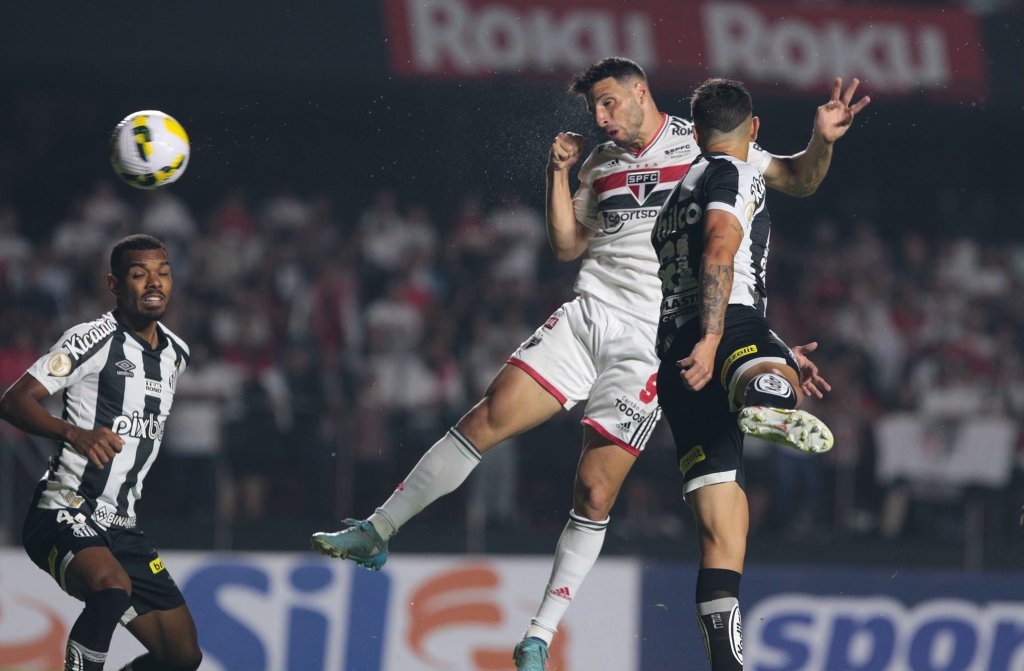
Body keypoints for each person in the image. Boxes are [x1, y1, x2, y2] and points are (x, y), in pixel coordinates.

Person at [311, 57, 867, 671]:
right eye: (593, 108)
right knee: (488, 415)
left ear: (640, 92)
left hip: (652, 340)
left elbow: (794, 179)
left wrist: (822, 140)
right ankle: (378, 530)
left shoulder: (704, 147)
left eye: (608, 103)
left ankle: (538, 636)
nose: (600, 118)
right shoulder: (600, 162)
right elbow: (568, 244)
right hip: (588, 314)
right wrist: (558, 173)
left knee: (595, 490)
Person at [652, 78, 851, 670]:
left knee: (722, 525)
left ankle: (725, 660)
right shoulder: (734, 173)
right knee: (767, 373)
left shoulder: (677, 196)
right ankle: (768, 393)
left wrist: (820, 141)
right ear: (755, 128)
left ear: (694, 132)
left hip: (677, 360)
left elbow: (801, 178)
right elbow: (720, 249)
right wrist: (718, 340)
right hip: (726, 327)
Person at [0, 234, 201, 671]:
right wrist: (75, 434)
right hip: (64, 508)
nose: (154, 283)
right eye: (139, 274)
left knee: (182, 657)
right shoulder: (91, 339)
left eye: (163, 273)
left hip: (121, 525)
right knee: (111, 588)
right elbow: (13, 401)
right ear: (114, 284)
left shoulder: (176, 353)